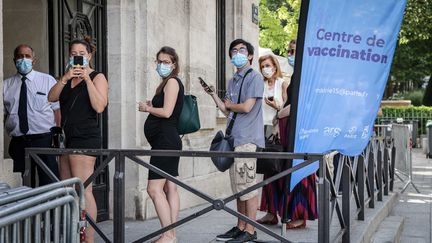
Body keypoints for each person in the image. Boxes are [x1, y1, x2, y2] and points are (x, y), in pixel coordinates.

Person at [203, 39, 264, 242]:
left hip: (247, 138)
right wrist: (213, 95)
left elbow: (246, 107)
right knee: (238, 188)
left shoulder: (254, 77)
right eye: (233, 51)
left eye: (241, 50)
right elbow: (226, 109)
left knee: (247, 186)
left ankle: (251, 230)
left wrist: (231, 104)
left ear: (249, 56)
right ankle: (240, 226)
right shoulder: (233, 80)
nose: (237, 53)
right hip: (233, 138)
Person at [48, 36, 108, 243]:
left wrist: (87, 79)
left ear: (89, 56)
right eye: (73, 54)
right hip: (66, 140)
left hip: (85, 138)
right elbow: (51, 97)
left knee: (84, 190)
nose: (77, 58)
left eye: (81, 55)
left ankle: (88, 239)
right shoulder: (66, 78)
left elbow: (99, 106)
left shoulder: (98, 77)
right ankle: (74, 235)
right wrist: (65, 78)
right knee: (68, 190)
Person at [139, 46, 184, 243]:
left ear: (174, 64)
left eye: (166, 62)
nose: (161, 65)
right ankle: (170, 233)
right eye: (159, 61)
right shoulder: (167, 83)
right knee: (170, 188)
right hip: (166, 141)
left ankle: (169, 235)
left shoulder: (172, 82)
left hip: (166, 142)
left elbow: (166, 112)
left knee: (154, 189)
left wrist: (147, 108)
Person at [3, 44, 60, 187]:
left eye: (27, 56)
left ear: (34, 60)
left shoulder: (47, 81)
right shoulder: (5, 86)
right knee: (22, 184)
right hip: (18, 142)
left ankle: (49, 210)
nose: (23, 59)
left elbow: (57, 110)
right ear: (14, 60)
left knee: (49, 182)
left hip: (44, 140)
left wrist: (57, 137)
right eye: (20, 56)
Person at [256, 54, 288, 225]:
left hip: (277, 130)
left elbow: (287, 107)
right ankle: (270, 212)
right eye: (262, 66)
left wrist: (277, 107)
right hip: (262, 130)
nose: (265, 69)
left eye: (267, 65)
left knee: (278, 168)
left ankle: (283, 211)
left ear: (275, 66)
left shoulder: (282, 83)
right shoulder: (259, 85)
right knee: (267, 170)